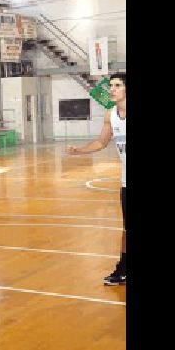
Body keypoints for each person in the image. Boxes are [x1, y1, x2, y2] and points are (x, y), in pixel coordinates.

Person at [66, 73, 126, 286]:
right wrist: (79, 151)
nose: (112, 89)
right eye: (111, 86)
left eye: (117, 85)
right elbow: (101, 142)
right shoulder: (111, 115)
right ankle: (123, 269)